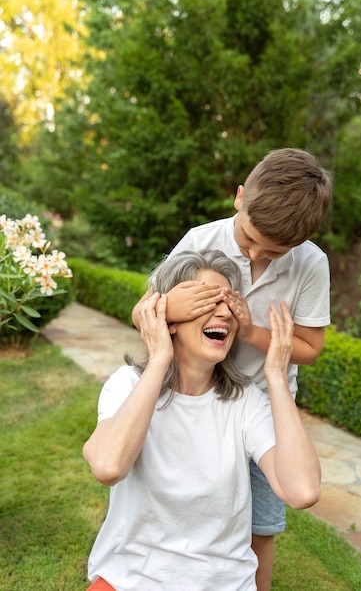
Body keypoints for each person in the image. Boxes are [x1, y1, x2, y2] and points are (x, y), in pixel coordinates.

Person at [132, 148, 333, 590]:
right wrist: (170, 306)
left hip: (263, 403)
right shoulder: (201, 239)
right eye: (249, 238)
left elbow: (310, 347)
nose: (257, 253)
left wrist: (251, 332)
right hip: (197, 397)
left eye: (275, 251)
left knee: (260, 524)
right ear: (240, 198)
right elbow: (142, 313)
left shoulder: (311, 264)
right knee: (183, 504)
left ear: (299, 244)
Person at [84, 250, 321, 591]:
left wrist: (276, 375)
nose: (224, 312)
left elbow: (302, 491)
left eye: (227, 301)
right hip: (130, 580)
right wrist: (160, 356)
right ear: (171, 319)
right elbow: (108, 467)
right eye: (208, 301)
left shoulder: (245, 403)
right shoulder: (128, 385)